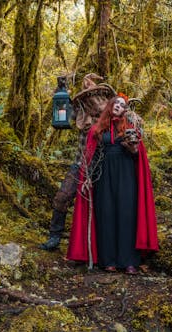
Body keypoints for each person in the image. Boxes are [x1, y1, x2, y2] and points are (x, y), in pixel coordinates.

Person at [66, 94, 158, 274]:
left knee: (126, 215)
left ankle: (129, 261)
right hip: (104, 176)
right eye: (116, 102)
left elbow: (137, 154)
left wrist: (131, 147)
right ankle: (108, 261)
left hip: (126, 176)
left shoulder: (130, 128)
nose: (118, 106)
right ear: (110, 105)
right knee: (106, 215)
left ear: (125, 110)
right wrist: (87, 178)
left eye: (122, 105)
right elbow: (90, 156)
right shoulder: (97, 129)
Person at [39, 74, 116, 250]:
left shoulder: (112, 116)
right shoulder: (82, 114)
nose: (93, 102)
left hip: (104, 167)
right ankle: (55, 237)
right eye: (89, 97)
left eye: (95, 97)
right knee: (62, 197)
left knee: (103, 205)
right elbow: (63, 114)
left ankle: (102, 245)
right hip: (80, 165)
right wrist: (61, 91)